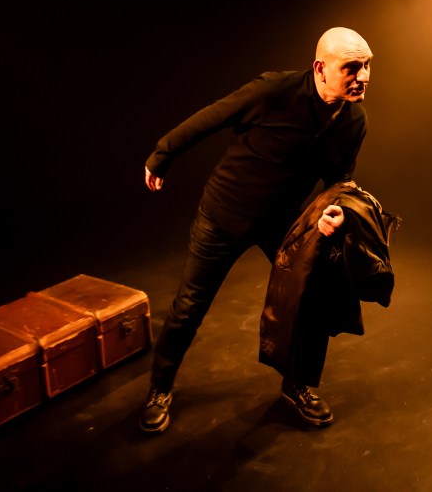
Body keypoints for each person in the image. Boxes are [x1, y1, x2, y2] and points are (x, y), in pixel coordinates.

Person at [139, 26, 373, 434]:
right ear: (320, 68)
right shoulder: (275, 91)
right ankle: (159, 389)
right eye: (352, 67)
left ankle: (297, 385)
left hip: (283, 223)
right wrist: (162, 155)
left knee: (309, 299)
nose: (363, 76)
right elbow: (211, 117)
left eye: (367, 66)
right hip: (224, 215)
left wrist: (334, 211)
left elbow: (339, 179)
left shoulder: (354, 121)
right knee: (189, 306)